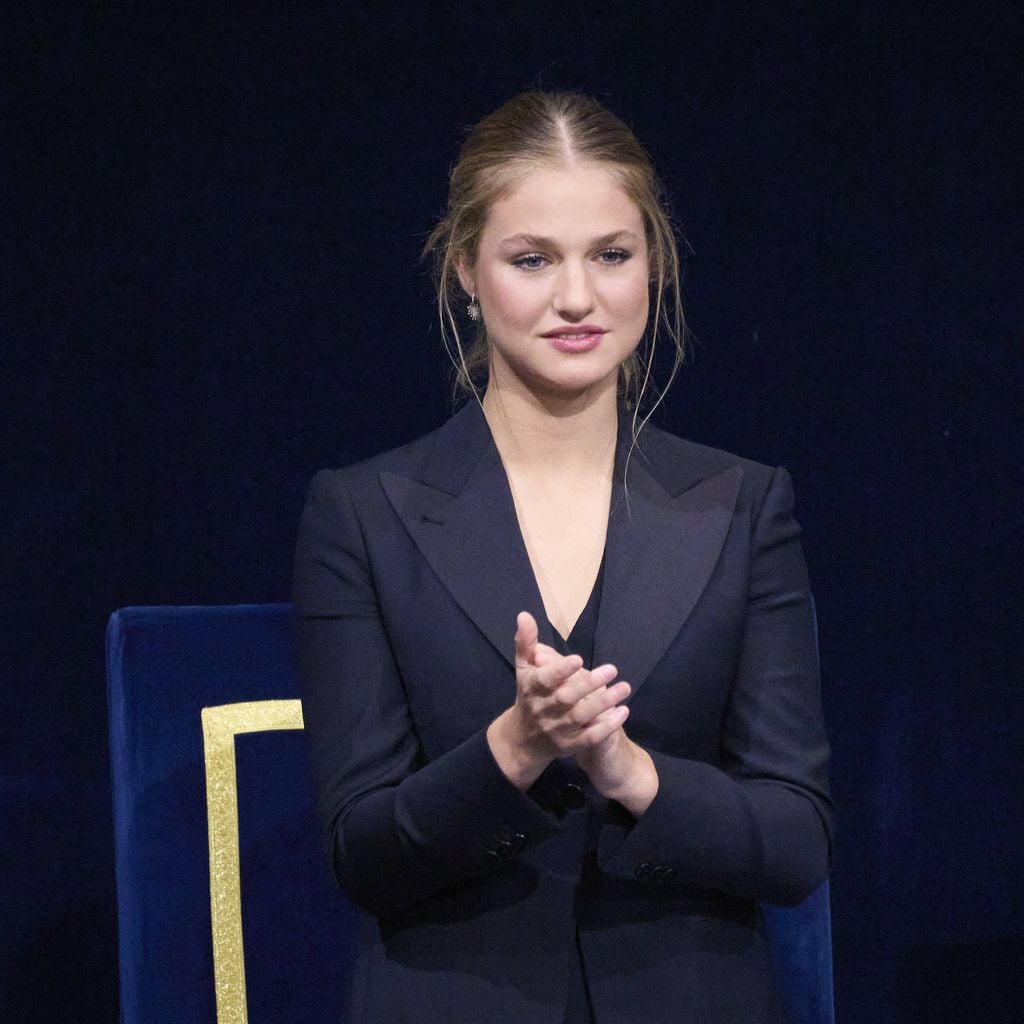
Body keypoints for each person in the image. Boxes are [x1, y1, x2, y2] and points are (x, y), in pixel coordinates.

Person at [293, 90, 832, 1024]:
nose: (577, 297)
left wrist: (631, 773)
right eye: (532, 259)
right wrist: (515, 747)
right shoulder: (364, 512)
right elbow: (362, 854)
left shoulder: (743, 506)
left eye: (611, 256)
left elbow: (795, 841)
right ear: (466, 270)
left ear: (653, 267)